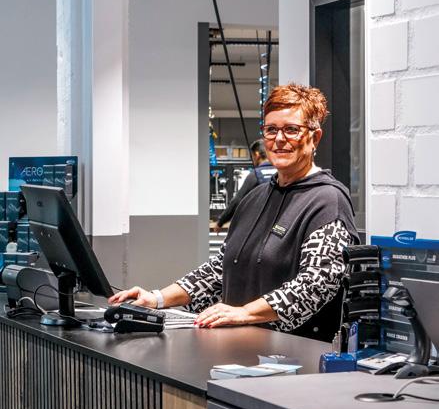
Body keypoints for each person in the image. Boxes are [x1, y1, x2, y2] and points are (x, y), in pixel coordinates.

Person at [109, 83, 359, 342]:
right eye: (271, 130)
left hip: (296, 354)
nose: (279, 139)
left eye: (291, 130)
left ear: (315, 138)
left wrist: (245, 313)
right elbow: (220, 270)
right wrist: (157, 299)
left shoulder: (328, 201)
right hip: (240, 348)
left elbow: (317, 284)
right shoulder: (255, 198)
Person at [212, 139, 276, 232]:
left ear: (257, 155)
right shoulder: (282, 173)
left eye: (252, 156)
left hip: (261, 225)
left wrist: (221, 222)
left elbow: (237, 201)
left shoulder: (256, 175)